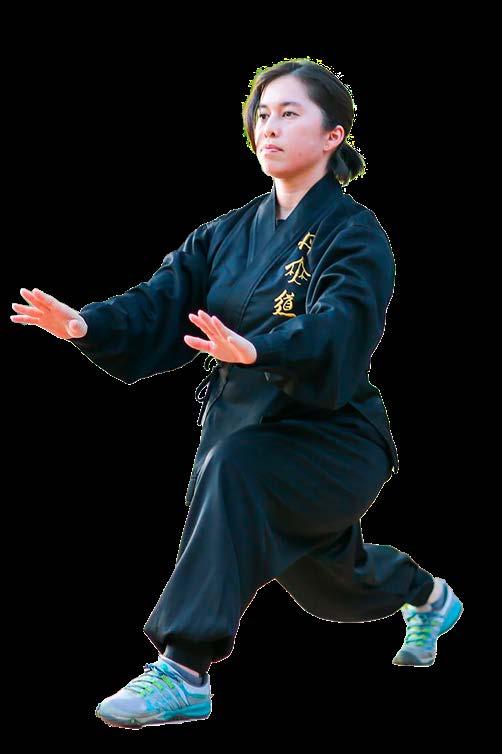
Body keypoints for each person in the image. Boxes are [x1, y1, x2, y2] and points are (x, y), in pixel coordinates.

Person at [11, 58, 463, 729]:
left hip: (332, 437)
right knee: (331, 583)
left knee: (237, 471)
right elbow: (161, 301)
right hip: (246, 429)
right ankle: (428, 596)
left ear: (333, 135)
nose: (269, 127)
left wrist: (260, 348)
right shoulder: (223, 234)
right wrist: (87, 324)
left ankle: (184, 670)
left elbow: (343, 322)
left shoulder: (355, 233)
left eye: (289, 113)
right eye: (262, 114)